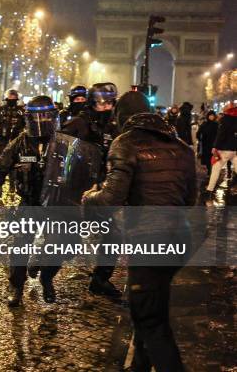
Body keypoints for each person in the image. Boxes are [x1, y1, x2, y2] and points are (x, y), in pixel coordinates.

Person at [82, 90, 196, 372]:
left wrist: (88, 198)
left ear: (121, 117)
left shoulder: (125, 143)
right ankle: (139, 366)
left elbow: (110, 198)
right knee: (146, 306)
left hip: (149, 241)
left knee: (152, 322)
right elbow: (191, 200)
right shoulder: (182, 147)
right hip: (180, 240)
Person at [39, 82, 121, 300]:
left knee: (113, 236)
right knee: (66, 243)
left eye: (110, 103)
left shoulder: (115, 127)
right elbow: (58, 150)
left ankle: (100, 280)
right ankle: (47, 277)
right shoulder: (78, 123)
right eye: (102, 103)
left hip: (101, 190)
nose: (106, 107)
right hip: (74, 191)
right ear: (93, 102)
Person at [0, 96, 56, 306]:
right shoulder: (21, 141)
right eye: (36, 116)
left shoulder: (61, 141)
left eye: (45, 116)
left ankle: (47, 278)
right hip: (30, 201)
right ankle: (16, 285)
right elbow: (1, 166)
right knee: (20, 246)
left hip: (55, 204)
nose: (41, 121)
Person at [205, 101, 237, 194]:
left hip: (224, 149)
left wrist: (215, 146)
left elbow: (221, 135)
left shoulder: (225, 120)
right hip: (235, 150)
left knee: (216, 169)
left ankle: (210, 189)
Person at [0, 89, 25, 161]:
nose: (11, 100)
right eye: (10, 98)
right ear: (6, 99)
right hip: (2, 139)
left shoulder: (21, 111)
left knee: (15, 160)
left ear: (16, 99)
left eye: (13, 98)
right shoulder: (0, 110)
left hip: (16, 140)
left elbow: (27, 124)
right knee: (1, 160)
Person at [196, 110, 219, 177]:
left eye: (212, 115)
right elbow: (198, 133)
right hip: (205, 144)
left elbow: (219, 134)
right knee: (207, 159)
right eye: (210, 115)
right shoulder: (204, 124)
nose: (211, 117)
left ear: (214, 116)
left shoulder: (216, 124)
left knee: (214, 158)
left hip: (214, 144)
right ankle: (209, 171)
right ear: (208, 116)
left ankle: (212, 172)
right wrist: (200, 139)